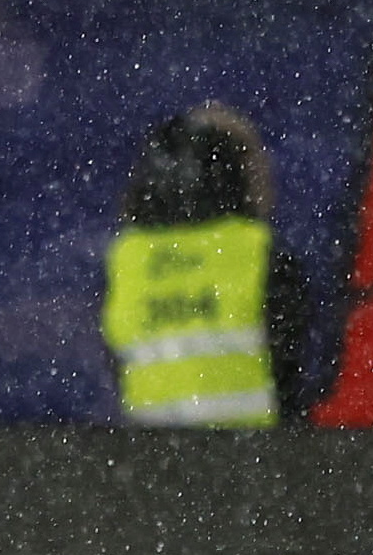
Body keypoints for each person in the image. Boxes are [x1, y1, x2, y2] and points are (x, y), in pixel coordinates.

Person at [104, 104, 309, 427]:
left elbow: (117, 359)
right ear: (236, 171)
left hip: (151, 455)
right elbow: (294, 362)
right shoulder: (257, 252)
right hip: (253, 453)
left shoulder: (128, 257)